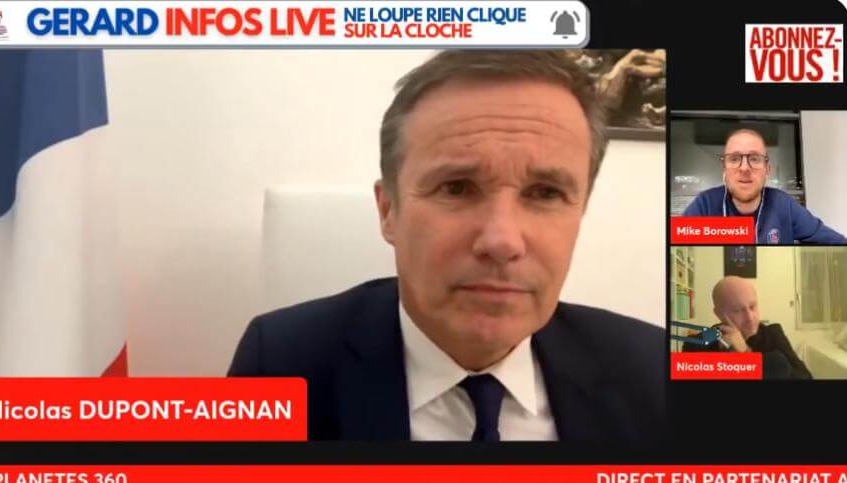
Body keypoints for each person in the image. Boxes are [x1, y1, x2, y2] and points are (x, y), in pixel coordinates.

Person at [228, 51, 666, 442]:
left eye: (545, 193)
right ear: (388, 211)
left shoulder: (652, 370)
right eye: (456, 187)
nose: (502, 241)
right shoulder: (279, 361)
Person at [682, 128, 846, 244]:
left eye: (754, 159)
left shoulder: (784, 205)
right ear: (724, 168)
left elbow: (838, 243)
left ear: (767, 170)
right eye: (734, 159)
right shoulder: (705, 205)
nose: (744, 168)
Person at [682, 276, 812, 380]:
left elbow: (805, 377)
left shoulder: (774, 334)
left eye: (752, 306)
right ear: (719, 314)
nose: (750, 317)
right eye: (738, 310)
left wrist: (746, 354)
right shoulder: (696, 344)